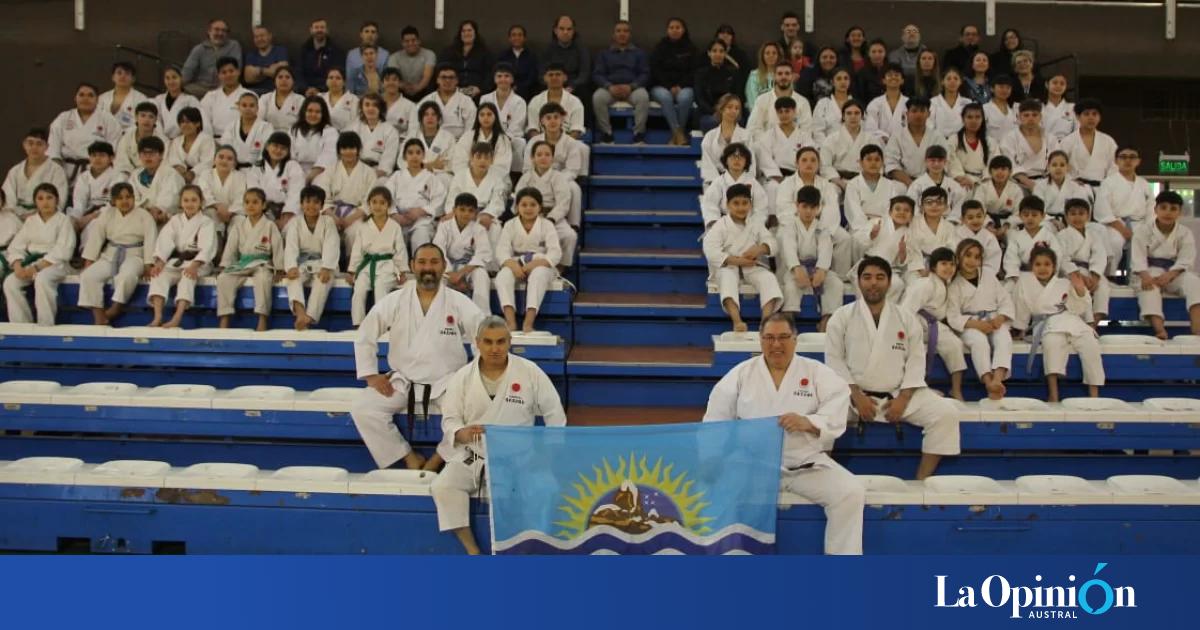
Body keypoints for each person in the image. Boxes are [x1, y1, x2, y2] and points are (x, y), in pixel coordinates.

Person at [705, 311, 863, 555]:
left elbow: (837, 406)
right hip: (754, 467)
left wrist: (808, 422)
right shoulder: (741, 374)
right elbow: (715, 421)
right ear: (760, 340)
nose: (776, 344)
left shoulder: (815, 372)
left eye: (783, 337)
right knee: (720, 494)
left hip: (806, 465)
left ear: (795, 339)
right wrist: (713, 460)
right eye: (769, 337)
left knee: (850, 492)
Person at [432, 315, 567, 555]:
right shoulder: (462, 377)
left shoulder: (529, 372)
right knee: (443, 486)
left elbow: (554, 413)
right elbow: (450, 418)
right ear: (477, 343)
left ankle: (532, 547)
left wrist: (547, 453)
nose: (495, 349)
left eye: (500, 342)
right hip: (475, 456)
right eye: (488, 342)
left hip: (521, 457)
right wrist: (460, 433)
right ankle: (473, 551)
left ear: (509, 342)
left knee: (547, 488)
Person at [351, 240, 486, 470]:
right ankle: (408, 456)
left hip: (448, 383)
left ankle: (438, 459)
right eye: (422, 262)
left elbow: (482, 336)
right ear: (412, 266)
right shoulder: (395, 300)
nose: (428, 267)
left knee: (477, 419)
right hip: (404, 381)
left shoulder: (458, 302)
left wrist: (474, 378)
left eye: (434, 262)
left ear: (444, 266)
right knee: (363, 408)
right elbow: (366, 333)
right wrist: (371, 376)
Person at [825, 255, 961, 478]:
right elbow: (834, 360)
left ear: (889, 282)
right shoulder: (841, 317)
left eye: (880, 277)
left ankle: (921, 480)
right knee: (822, 416)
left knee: (946, 413)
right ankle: (823, 476)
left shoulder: (906, 318)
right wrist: (856, 396)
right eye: (867, 277)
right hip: (852, 396)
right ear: (858, 282)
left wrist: (903, 399)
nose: (873, 283)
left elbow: (916, 361)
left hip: (897, 395)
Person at [1011, 247, 1103, 402]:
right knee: (1051, 344)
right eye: (1038, 264)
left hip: (1071, 320)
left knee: (1091, 345)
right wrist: (1020, 328)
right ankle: (1053, 393)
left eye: (1047, 264)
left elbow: (1080, 307)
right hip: (1047, 323)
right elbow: (1021, 306)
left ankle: (1094, 394)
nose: (1042, 268)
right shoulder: (1024, 283)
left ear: (1054, 267)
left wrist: (1080, 290)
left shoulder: (1064, 282)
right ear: (1031, 267)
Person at [703, 182, 781, 332]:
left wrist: (760, 249)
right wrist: (738, 260)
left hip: (752, 266)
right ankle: (737, 321)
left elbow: (772, 243)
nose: (741, 207)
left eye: (745, 203)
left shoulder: (755, 224)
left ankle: (765, 322)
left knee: (769, 278)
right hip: (728, 266)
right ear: (727, 205)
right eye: (736, 203)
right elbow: (711, 251)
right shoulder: (720, 225)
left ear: (750, 205)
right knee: (728, 279)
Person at [77, 182, 157, 325]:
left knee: (127, 275)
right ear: (113, 201)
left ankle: (115, 308)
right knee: (88, 276)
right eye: (120, 198)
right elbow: (97, 237)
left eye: (128, 197)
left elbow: (151, 239)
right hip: (110, 254)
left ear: (134, 198)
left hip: (135, 255)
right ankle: (99, 316)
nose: (125, 201)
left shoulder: (144, 215)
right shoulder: (107, 214)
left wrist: (148, 264)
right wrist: (89, 260)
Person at [947, 238, 1014, 400]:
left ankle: (998, 379)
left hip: (992, 318)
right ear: (958, 257)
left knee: (1004, 338)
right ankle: (988, 381)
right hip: (970, 323)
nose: (972, 260)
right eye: (968, 255)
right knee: (979, 342)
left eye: (977, 257)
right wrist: (976, 324)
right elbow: (953, 316)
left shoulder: (989, 275)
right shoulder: (953, 284)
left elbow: (1005, 300)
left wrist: (1000, 317)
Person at [900, 246, 967, 400]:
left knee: (955, 345)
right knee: (918, 351)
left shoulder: (947, 284)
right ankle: (918, 389)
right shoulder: (924, 284)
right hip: (917, 323)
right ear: (933, 266)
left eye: (952, 264)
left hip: (934, 325)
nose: (948, 268)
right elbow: (906, 309)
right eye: (944, 263)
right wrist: (908, 333)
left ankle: (956, 390)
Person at [3, 183, 75, 325]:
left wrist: (37, 268)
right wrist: (18, 267)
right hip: (31, 262)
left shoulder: (63, 220)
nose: (45, 202)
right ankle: (21, 324)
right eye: (40, 198)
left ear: (57, 200)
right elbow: (16, 246)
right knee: (10, 282)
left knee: (42, 279)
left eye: (49, 198)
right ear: (35, 201)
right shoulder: (31, 221)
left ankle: (45, 324)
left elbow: (63, 250)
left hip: (56, 265)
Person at [146, 184, 217, 328]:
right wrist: (160, 262)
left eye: (193, 200)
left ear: (201, 202)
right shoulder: (175, 220)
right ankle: (158, 317)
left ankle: (176, 318)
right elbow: (165, 241)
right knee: (159, 275)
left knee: (187, 277)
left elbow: (207, 248)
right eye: (186, 200)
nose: (189, 204)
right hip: (176, 261)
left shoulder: (206, 222)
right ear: (180, 202)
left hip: (199, 263)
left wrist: (194, 266)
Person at [1132, 191, 1200, 339]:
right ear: (1155, 210)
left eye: (1173, 209)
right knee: (1149, 289)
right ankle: (1160, 330)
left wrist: (1170, 274)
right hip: (1148, 271)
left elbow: (1186, 258)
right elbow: (1137, 258)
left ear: (1179, 212)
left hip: (1174, 272)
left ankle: (1197, 328)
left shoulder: (1184, 233)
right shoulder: (1142, 231)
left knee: (1195, 283)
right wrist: (1145, 276)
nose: (1168, 212)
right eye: (1163, 207)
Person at [495, 187, 562, 333]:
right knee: (502, 277)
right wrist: (513, 266)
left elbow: (555, 253)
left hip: (542, 265)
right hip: (517, 263)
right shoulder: (510, 225)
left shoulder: (547, 225)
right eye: (524, 205)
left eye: (533, 205)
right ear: (517, 206)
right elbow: (501, 251)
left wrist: (534, 264)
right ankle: (510, 322)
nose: (528, 208)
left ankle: (528, 322)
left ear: (540, 207)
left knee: (538, 275)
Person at [778, 186, 844, 331]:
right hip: (795, 269)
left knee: (836, 284)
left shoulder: (822, 228)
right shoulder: (789, 227)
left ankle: (826, 323)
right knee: (791, 287)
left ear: (818, 208)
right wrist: (796, 269)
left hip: (817, 267)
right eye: (804, 206)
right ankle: (788, 325)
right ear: (797, 206)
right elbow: (789, 250)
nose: (808, 211)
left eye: (813, 207)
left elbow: (825, 250)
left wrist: (821, 271)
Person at [216, 188, 283, 330]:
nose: (250, 206)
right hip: (243, 263)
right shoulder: (238, 226)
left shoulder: (270, 225)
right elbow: (231, 248)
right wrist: (225, 264)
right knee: (223, 278)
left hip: (262, 263)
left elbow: (277, 247)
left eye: (255, 202)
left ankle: (262, 318)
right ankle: (224, 318)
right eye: (247, 202)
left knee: (264, 279)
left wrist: (280, 268)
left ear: (263, 205)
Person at [348, 187, 409, 326]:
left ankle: (382, 323)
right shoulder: (363, 226)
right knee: (359, 290)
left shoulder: (394, 226)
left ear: (389, 205)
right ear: (369, 204)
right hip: (366, 265)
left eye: (382, 202)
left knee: (381, 288)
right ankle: (358, 324)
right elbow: (357, 250)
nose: (378, 206)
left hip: (387, 266)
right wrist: (352, 270)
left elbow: (400, 250)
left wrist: (402, 271)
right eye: (374, 202)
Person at [284, 185, 339, 330]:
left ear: (321, 205)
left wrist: (327, 267)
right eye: (307, 202)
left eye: (316, 202)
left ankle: (309, 317)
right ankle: (300, 314)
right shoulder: (295, 222)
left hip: (323, 263)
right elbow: (291, 246)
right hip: (302, 262)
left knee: (322, 281)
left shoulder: (328, 222)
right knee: (292, 278)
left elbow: (331, 245)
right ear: (301, 204)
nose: (311, 206)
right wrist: (291, 266)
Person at [516, 141, 577, 268]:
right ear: (532, 158)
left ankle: (561, 267)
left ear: (552, 158)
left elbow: (563, 203)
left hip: (552, 217)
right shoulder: (525, 178)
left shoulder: (558, 177)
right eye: (539, 154)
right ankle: (523, 265)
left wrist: (551, 219)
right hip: (528, 216)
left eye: (547, 154)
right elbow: (518, 200)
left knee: (569, 236)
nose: (543, 158)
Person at [1094, 146, 1154, 275]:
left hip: (1140, 224)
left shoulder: (1144, 184)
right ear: (1116, 161)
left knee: (1147, 242)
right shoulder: (1108, 183)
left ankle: (1138, 276)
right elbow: (1102, 209)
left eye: (1132, 157)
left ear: (1138, 161)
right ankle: (1109, 276)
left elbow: (1151, 210)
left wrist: (1148, 229)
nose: (1128, 160)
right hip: (1114, 224)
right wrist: (1121, 228)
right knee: (1114, 242)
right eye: (1123, 157)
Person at [48, 83, 122, 185]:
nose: (85, 98)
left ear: (97, 99)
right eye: (81, 95)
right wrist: (58, 174)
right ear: (75, 98)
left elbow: (114, 150)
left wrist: (101, 172)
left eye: (90, 95)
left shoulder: (108, 120)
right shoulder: (63, 118)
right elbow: (53, 148)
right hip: (66, 172)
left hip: (97, 171)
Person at [591, 21, 651, 145]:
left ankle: (638, 134)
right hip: (610, 88)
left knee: (643, 97)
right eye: (618, 31)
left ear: (630, 34)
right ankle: (607, 134)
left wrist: (632, 86)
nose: (622, 34)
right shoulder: (604, 54)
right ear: (614, 34)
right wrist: (609, 86)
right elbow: (597, 74)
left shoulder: (639, 53)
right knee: (597, 97)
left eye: (625, 31)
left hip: (632, 89)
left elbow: (645, 74)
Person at [433, 193, 493, 313]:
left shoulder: (478, 229)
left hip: (468, 268)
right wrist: (451, 274)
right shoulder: (444, 227)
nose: (466, 213)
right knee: (437, 279)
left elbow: (482, 254)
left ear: (475, 213)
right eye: (462, 209)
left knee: (481, 275)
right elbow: (439, 251)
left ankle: (481, 315)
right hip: (447, 267)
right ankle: (436, 314)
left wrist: (460, 274)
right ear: (454, 210)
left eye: (470, 211)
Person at [385, 139, 448, 252]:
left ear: (423, 155)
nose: (414, 156)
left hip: (421, 221)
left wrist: (421, 211)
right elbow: (386, 196)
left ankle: (420, 268)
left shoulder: (431, 178)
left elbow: (439, 200)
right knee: (392, 239)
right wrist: (394, 214)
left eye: (418, 153)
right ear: (404, 156)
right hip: (399, 219)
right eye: (410, 153)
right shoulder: (397, 176)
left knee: (420, 238)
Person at [315, 131, 376, 248]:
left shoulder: (369, 172)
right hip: (332, 212)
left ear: (358, 150)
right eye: (344, 148)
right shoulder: (330, 170)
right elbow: (323, 198)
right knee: (325, 229)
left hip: (357, 214)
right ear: (339, 151)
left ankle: (352, 265)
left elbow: (369, 202)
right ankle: (329, 264)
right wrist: (334, 218)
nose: (348, 152)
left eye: (352, 148)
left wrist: (349, 220)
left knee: (355, 232)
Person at [1057, 198, 1110, 324]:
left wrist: (1095, 275)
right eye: (1073, 213)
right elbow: (1062, 259)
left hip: (1090, 271)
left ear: (1088, 216)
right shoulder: (1062, 236)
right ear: (1066, 216)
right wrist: (1077, 274)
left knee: (1103, 286)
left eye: (1081, 213)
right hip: (1070, 273)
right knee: (1074, 287)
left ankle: (1094, 322)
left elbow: (1100, 255)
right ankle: (1077, 322)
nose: (1077, 217)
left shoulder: (1094, 235)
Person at [844, 145, 905, 255]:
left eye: (877, 159)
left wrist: (881, 225)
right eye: (869, 159)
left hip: (884, 225)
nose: (873, 163)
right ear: (861, 163)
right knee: (861, 240)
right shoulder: (853, 184)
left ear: (882, 163)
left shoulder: (890, 185)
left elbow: (892, 210)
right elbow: (854, 212)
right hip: (861, 227)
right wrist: (869, 230)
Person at [857, 195, 919, 300]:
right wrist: (872, 235)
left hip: (888, 268)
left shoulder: (909, 234)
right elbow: (860, 241)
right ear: (890, 212)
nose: (902, 213)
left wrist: (902, 252)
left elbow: (902, 261)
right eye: (898, 209)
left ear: (912, 216)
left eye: (906, 210)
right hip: (867, 264)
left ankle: (885, 313)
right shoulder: (878, 222)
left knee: (897, 284)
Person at [650, 17, 700, 146]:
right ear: (667, 30)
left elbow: (694, 71)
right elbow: (655, 70)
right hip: (661, 86)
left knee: (685, 97)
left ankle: (677, 134)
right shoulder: (660, 48)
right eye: (671, 28)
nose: (674, 30)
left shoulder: (691, 48)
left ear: (683, 30)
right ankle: (678, 134)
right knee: (665, 97)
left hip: (684, 87)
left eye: (678, 27)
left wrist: (680, 86)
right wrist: (669, 86)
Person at [4, 128, 69, 218]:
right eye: (30, 143)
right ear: (24, 145)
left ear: (46, 146)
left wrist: (34, 217)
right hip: (16, 217)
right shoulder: (15, 171)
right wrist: (14, 214)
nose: (34, 147)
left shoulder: (56, 171)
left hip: (43, 216)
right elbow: (7, 199)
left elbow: (58, 202)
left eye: (39, 144)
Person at [701, 143, 768, 227]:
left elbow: (761, 209)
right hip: (724, 225)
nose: (737, 160)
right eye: (733, 156)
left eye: (741, 157)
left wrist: (753, 227)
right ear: (726, 160)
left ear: (746, 162)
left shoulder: (753, 183)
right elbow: (710, 205)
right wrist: (716, 225)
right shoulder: (719, 182)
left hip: (748, 225)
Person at [480, 64, 528, 173]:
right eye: (499, 76)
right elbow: (482, 122)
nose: (503, 79)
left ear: (512, 79)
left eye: (506, 76)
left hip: (510, 140)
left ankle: (515, 174)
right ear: (494, 79)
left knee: (519, 142)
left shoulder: (519, 102)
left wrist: (501, 141)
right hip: (488, 136)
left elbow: (517, 127)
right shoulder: (485, 98)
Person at [747, 63, 812, 142]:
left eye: (787, 73)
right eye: (780, 74)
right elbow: (753, 128)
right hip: (767, 148)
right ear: (774, 76)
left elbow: (807, 130)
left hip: (795, 147)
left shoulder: (803, 102)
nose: (783, 77)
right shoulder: (762, 100)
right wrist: (771, 142)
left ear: (792, 77)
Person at [757, 98, 815, 187]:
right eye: (780, 112)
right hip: (775, 178)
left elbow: (810, 156)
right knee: (772, 187)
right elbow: (765, 160)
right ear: (776, 113)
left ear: (794, 112)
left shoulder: (804, 136)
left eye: (787, 111)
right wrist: (779, 178)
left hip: (799, 176)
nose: (784, 115)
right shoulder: (769, 136)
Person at [1058, 99, 1117, 186]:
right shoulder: (1067, 141)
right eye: (1086, 114)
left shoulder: (1108, 141)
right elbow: (1060, 165)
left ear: (1099, 117)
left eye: (1094, 114)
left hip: (1103, 187)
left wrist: (1107, 185)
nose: (1091, 117)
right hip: (1075, 187)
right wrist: (1070, 181)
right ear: (1078, 117)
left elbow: (1114, 167)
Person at [250, 132, 305, 224]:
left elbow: (296, 193)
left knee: (291, 228)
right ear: (267, 146)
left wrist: (287, 214)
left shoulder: (293, 166)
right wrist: (263, 210)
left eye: (283, 148)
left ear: (288, 151)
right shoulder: (257, 167)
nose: (278, 150)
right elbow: (253, 192)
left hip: (287, 212)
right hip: (262, 210)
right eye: (275, 146)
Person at [884, 96, 940, 185]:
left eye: (922, 111)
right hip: (903, 182)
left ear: (929, 114)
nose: (918, 115)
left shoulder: (937, 136)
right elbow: (891, 163)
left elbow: (943, 161)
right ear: (907, 113)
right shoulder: (897, 136)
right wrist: (909, 182)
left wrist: (927, 182)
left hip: (932, 180)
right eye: (914, 111)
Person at [1004, 196, 1063, 281]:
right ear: (1020, 216)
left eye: (1034, 215)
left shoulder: (1049, 236)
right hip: (1022, 276)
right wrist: (1015, 277)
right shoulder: (1015, 237)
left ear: (1042, 216)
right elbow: (1011, 259)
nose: (1030, 218)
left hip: (1045, 274)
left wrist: (1049, 276)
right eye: (1026, 215)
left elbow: (1057, 256)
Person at [1002, 99, 1057, 190]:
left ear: (1040, 117)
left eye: (1034, 115)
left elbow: (1057, 160)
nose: (1031, 118)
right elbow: (1009, 163)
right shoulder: (1010, 138)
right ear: (1019, 117)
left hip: (1046, 182)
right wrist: (1029, 183)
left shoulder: (1050, 138)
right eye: (1026, 115)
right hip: (1018, 184)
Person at [451, 103, 514, 182]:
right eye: (482, 115)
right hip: (468, 179)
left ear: (495, 117)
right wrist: (472, 176)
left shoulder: (503, 139)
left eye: (489, 114)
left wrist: (483, 177)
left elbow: (503, 166)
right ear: (478, 117)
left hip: (496, 180)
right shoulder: (468, 136)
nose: (485, 117)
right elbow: (459, 161)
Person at [130, 136, 184, 225]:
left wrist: (157, 209)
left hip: (165, 218)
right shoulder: (135, 175)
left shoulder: (171, 174)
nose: (148, 157)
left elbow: (170, 199)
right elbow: (132, 197)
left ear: (161, 155)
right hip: (139, 215)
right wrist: (141, 210)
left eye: (152, 153)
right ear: (139, 155)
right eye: (144, 153)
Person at [181, 19, 243, 96]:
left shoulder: (234, 46)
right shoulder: (199, 49)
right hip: (201, 87)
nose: (220, 33)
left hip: (225, 87)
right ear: (209, 31)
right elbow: (188, 70)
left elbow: (236, 69)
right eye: (217, 30)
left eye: (224, 31)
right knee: (182, 93)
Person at [69, 141, 120, 233]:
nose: (97, 159)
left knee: (94, 225)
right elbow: (79, 203)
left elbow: (113, 204)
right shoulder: (84, 177)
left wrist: (92, 216)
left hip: (108, 213)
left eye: (102, 155)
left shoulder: (118, 176)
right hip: (86, 213)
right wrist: (75, 219)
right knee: (67, 223)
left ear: (111, 158)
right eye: (94, 155)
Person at [700, 94, 752, 184]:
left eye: (737, 108)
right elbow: (708, 165)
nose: (733, 111)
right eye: (729, 107)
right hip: (716, 182)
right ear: (721, 109)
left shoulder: (746, 135)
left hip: (741, 181)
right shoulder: (710, 136)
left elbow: (751, 163)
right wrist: (720, 184)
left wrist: (740, 181)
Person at [906, 146, 967, 221]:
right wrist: (921, 221)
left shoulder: (953, 185)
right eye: (932, 160)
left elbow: (959, 206)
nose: (936, 164)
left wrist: (951, 221)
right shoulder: (917, 184)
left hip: (948, 222)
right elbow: (912, 206)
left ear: (945, 162)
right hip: (923, 222)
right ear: (926, 162)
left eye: (940, 160)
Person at [818, 99, 869, 188]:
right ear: (843, 116)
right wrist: (840, 183)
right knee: (832, 191)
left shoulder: (871, 140)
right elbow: (825, 166)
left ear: (862, 116)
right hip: (838, 181)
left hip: (864, 180)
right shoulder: (831, 139)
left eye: (857, 113)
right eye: (849, 113)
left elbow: (878, 165)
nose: (853, 116)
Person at [527, 63, 586, 140]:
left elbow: (576, 130)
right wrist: (543, 145)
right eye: (550, 75)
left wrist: (562, 145)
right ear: (545, 78)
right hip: (541, 145)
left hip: (567, 143)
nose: (554, 77)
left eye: (558, 74)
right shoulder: (535, 101)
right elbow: (533, 129)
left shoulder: (575, 102)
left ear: (565, 78)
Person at [419, 64, 478, 140]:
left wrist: (461, 145)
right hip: (433, 142)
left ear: (457, 80)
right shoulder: (427, 100)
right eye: (443, 77)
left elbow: (471, 128)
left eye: (451, 77)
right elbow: (418, 125)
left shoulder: (466, 101)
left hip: (459, 143)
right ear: (437, 80)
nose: (447, 80)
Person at [1035, 151, 1093, 227]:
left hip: (1071, 221)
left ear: (1068, 167)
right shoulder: (1040, 186)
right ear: (1048, 167)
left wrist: (1070, 221)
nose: (1058, 168)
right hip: (1048, 221)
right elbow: (1037, 209)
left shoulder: (1075, 186)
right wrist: (1052, 220)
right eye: (1054, 165)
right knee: (1045, 227)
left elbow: (1082, 207)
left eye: (1062, 165)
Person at [200, 57, 254, 139]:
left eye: (231, 71)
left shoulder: (249, 95)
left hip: (241, 139)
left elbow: (254, 121)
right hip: (215, 140)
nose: (228, 75)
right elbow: (204, 121)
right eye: (224, 72)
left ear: (238, 72)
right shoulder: (210, 96)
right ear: (219, 75)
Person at [974, 156, 1022, 244]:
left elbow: (1019, 212)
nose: (999, 172)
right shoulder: (982, 188)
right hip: (986, 222)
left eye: (1003, 169)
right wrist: (988, 225)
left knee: (1013, 239)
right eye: (996, 169)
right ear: (990, 172)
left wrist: (1006, 226)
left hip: (1008, 224)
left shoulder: (1016, 189)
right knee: (983, 239)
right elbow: (978, 210)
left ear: (1010, 172)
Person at [908, 186, 960, 268]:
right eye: (929, 202)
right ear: (921, 206)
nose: (934, 206)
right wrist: (919, 266)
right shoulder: (912, 222)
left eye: (939, 203)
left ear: (946, 207)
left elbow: (952, 249)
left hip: (941, 267)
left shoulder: (950, 227)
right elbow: (909, 248)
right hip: (915, 266)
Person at [407, 102, 457, 188]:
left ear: (438, 118)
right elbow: (402, 161)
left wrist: (421, 165)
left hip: (440, 177)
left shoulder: (448, 137)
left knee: (443, 179)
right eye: (426, 114)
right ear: (421, 119)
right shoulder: (412, 136)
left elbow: (449, 163)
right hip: (416, 173)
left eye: (433, 114)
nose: (430, 117)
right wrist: (428, 166)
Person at [289, 96, 338, 181]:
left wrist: (309, 178)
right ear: (304, 112)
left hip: (321, 174)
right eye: (310, 111)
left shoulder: (330, 131)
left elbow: (328, 157)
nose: (313, 115)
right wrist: (298, 177)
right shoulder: (294, 130)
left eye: (317, 112)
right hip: (295, 173)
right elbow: (289, 155)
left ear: (323, 114)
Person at [350, 94, 399, 178]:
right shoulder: (353, 128)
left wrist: (371, 176)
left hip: (378, 173)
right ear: (362, 108)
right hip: (355, 170)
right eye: (367, 105)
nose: (370, 108)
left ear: (381, 108)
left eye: (375, 105)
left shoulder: (390, 131)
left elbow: (388, 161)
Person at [220, 93, 274, 170]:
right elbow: (225, 148)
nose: (248, 109)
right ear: (238, 107)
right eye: (244, 105)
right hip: (233, 169)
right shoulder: (231, 126)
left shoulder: (266, 127)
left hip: (257, 170)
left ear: (257, 108)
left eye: (252, 106)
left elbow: (267, 152)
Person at [695, 38, 739, 132]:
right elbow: (699, 98)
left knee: (739, 121)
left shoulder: (732, 73)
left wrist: (727, 111)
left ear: (725, 54)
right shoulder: (701, 73)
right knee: (711, 122)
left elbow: (737, 95)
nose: (718, 54)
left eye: (721, 51)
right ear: (709, 53)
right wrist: (714, 112)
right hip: (708, 113)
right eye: (714, 51)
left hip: (730, 111)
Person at [196, 145, 247, 225]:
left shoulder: (240, 176)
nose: (224, 161)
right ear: (214, 160)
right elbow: (204, 194)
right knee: (209, 214)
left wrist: (229, 212)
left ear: (234, 163)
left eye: (229, 159)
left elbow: (240, 199)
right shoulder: (206, 174)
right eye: (221, 157)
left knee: (240, 220)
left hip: (233, 213)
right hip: (213, 210)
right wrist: (218, 206)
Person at [442, 20, 493, 99]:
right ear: (460, 34)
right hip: (454, 91)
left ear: (475, 33)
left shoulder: (485, 52)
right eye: (463, 31)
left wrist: (480, 88)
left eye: (469, 30)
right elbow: (444, 71)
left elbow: (490, 74)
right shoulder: (450, 52)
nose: (466, 33)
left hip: (478, 93)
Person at [948, 103, 993, 190]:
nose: (974, 121)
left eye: (977, 117)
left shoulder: (990, 141)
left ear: (982, 119)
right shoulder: (954, 140)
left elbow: (993, 162)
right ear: (963, 119)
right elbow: (950, 160)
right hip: (961, 182)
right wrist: (961, 177)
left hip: (985, 181)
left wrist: (985, 179)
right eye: (969, 117)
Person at [540, 15, 590, 94]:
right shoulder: (547, 50)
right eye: (562, 29)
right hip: (552, 85)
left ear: (573, 31)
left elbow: (584, 74)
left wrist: (572, 86)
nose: (565, 32)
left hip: (575, 87)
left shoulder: (582, 50)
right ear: (555, 30)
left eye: (569, 29)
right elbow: (541, 74)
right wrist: (553, 85)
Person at [165, 107, 216, 184]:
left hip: (202, 176)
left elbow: (207, 162)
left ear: (198, 123)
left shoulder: (206, 140)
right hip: (180, 175)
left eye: (188, 122)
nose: (185, 125)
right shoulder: (176, 141)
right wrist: (180, 168)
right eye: (182, 122)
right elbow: (173, 159)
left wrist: (192, 173)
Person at [386, 26, 436, 100]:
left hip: (424, 93)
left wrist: (417, 88)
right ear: (402, 43)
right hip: (401, 93)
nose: (410, 43)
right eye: (406, 41)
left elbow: (426, 78)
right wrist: (406, 87)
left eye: (413, 40)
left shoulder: (429, 54)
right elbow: (394, 78)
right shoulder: (394, 57)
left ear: (419, 41)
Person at [115, 102, 164, 176]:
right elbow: (122, 160)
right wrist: (133, 175)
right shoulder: (127, 136)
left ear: (156, 120)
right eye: (143, 115)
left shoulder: (162, 139)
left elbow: (163, 162)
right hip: (129, 174)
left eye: (151, 117)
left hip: (154, 174)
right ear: (136, 117)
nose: (147, 120)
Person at [954, 200, 1002, 276]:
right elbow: (953, 257)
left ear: (984, 217)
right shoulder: (956, 234)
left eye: (979, 216)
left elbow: (993, 261)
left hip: (983, 275)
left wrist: (979, 274)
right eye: (970, 218)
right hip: (960, 274)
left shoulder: (989, 237)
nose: (975, 220)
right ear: (962, 219)